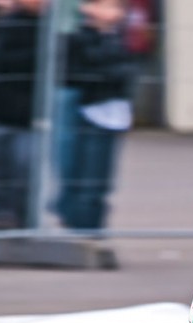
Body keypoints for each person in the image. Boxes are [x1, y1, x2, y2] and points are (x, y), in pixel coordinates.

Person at [54, 0, 134, 230]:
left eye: (118, 7)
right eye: (108, 6)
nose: (115, 12)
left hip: (113, 112)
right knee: (82, 171)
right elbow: (79, 73)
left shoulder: (117, 39)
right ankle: (79, 225)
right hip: (89, 110)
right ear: (88, 8)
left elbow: (126, 73)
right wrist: (110, 74)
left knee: (101, 176)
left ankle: (94, 226)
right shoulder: (79, 39)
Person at [0, 0, 47, 229]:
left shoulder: (48, 29)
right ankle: (4, 218)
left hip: (29, 115)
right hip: (5, 110)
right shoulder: (9, 26)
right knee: (5, 168)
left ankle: (24, 221)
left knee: (25, 170)